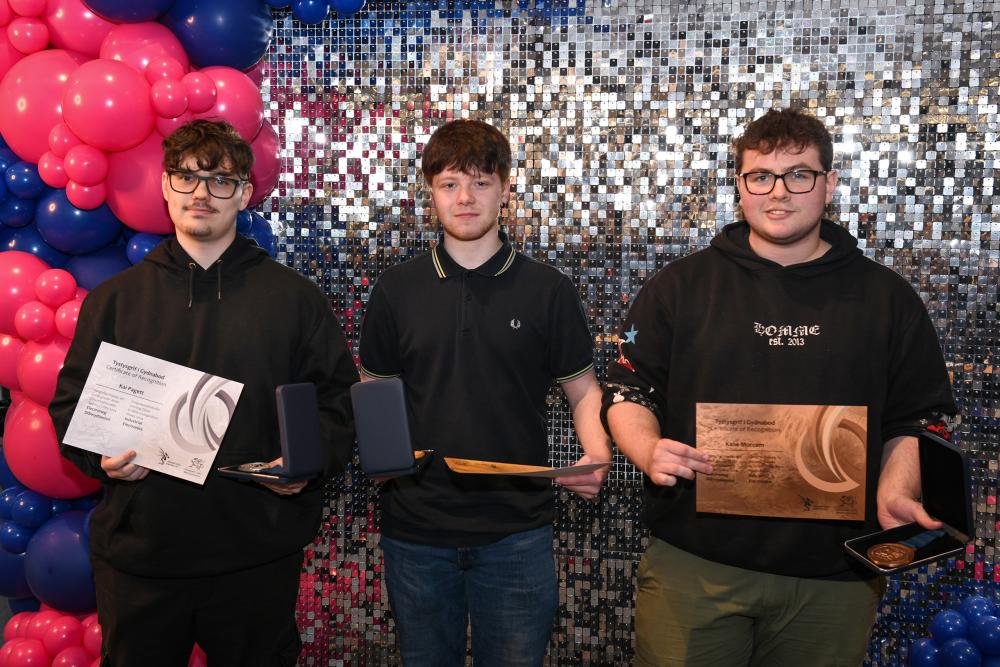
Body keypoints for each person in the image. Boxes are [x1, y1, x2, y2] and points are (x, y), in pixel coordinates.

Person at [603, 107, 956, 666]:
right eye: (759, 176)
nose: (779, 193)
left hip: (835, 578)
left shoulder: (888, 299)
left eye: (799, 175)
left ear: (829, 184)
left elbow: (917, 418)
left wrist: (896, 489)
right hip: (696, 566)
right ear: (740, 185)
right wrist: (647, 449)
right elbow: (627, 392)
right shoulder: (679, 286)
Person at [49, 120, 359, 667]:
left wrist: (308, 463)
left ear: (243, 193)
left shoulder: (294, 299)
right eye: (187, 178)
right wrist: (100, 457)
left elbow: (335, 404)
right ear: (165, 187)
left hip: (256, 555)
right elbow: (71, 407)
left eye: (219, 181)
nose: (201, 194)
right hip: (142, 558)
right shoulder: (116, 300)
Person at [358, 119, 612, 666]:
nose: (465, 197)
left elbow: (583, 388)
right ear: (431, 192)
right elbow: (374, 386)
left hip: (516, 532)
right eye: (449, 183)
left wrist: (596, 451)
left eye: (480, 181)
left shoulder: (548, 289)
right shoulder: (395, 289)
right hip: (416, 532)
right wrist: (378, 453)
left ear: (504, 188)